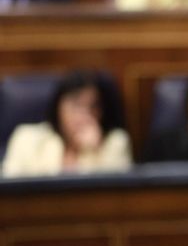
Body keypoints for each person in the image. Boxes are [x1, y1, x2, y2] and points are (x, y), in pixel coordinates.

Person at [2, 71, 130, 177]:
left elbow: (113, 195)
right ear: (58, 107)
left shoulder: (115, 143)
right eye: (76, 105)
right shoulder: (27, 138)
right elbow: (8, 192)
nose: (84, 114)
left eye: (93, 106)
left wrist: (93, 152)